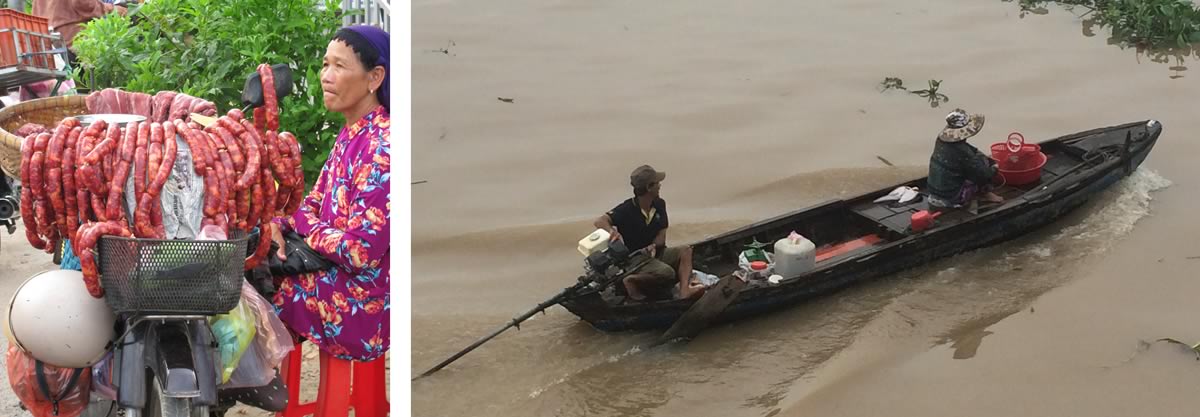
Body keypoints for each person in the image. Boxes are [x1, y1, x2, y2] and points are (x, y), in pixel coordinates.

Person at [267, 25, 390, 363]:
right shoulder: (352, 133)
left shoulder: (381, 148)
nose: (326, 76)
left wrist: (304, 226)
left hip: (364, 305)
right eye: (325, 64)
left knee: (257, 286)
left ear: (375, 77)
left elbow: (359, 252)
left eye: (339, 66)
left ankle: (250, 381)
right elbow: (312, 204)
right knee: (255, 258)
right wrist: (281, 223)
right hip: (335, 272)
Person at [594, 165, 705, 301]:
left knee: (686, 250)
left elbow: (661, 236)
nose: (660, 186)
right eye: (657, 183)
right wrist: (612, 232)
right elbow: (600, 221)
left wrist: (653, 246)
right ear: (649, 187)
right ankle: (632, 280)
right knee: (667, 273)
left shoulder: (659, 204)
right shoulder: (627, 209)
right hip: (634, 259)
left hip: (655, 253)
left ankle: (684, 291)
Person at [926, 108, 1004, 212]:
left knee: (978, 160)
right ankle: (986, 193)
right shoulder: (963, 152)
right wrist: (994, 168)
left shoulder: (941, 140)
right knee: (982, 167)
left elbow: (969, 150)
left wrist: (979, 155)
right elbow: (983, 174)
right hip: (951, 197)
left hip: (934, 191)